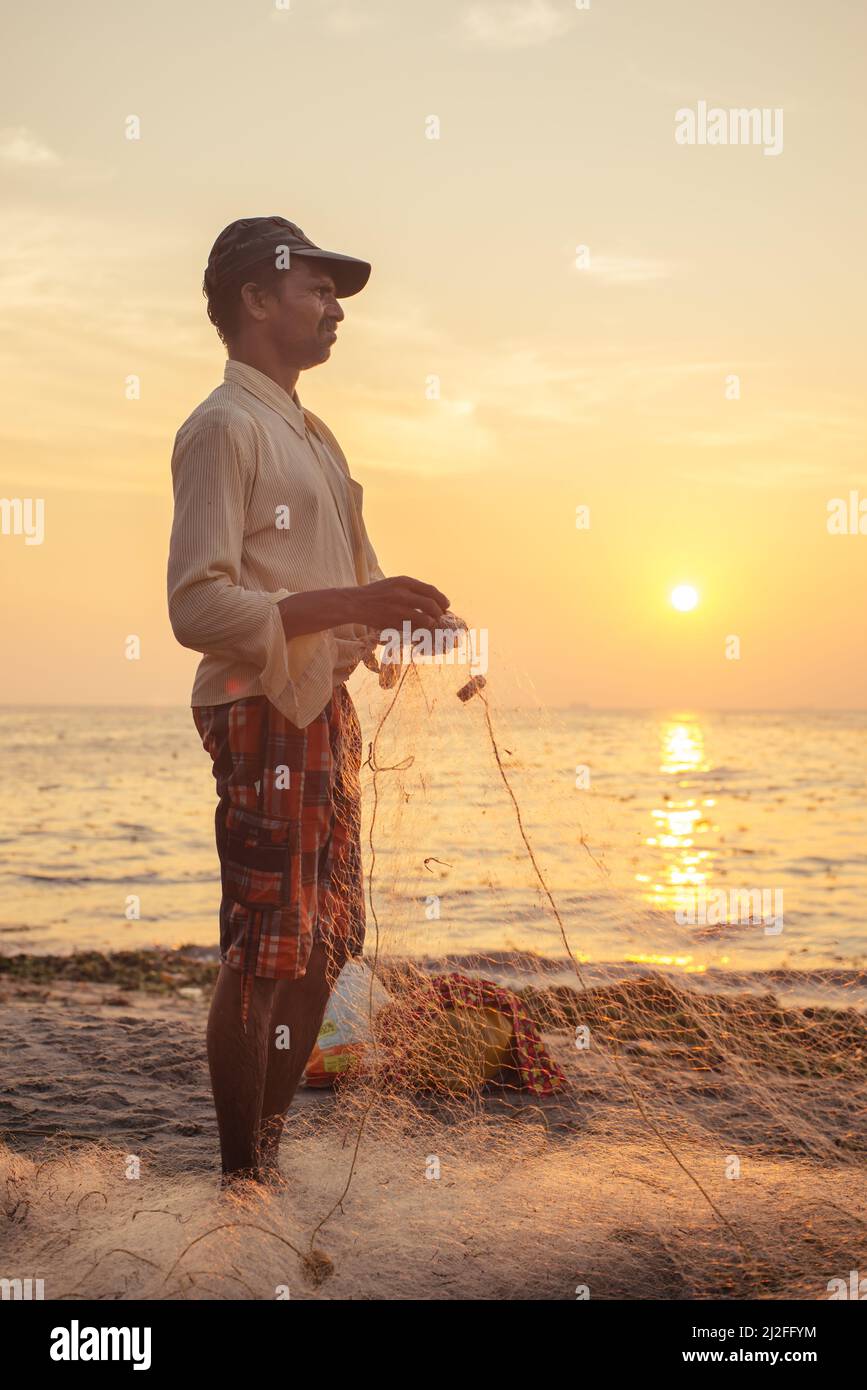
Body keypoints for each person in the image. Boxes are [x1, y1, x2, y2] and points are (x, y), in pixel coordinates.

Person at [167, 216, 449, 1185]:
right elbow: (195, 603)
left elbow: (353, 595)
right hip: (256, 706)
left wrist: (402, 622)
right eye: (318, 290)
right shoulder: (222, 427)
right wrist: (349, 604)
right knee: (263, 952)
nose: (334, 311)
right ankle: (242, 1178)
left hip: (321, 708)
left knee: (327, 945)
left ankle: (268, 1160)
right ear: (256, 299)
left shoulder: (317, 439)